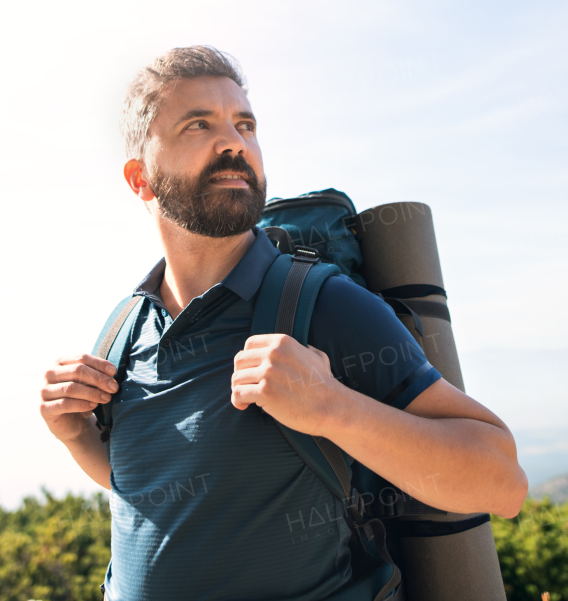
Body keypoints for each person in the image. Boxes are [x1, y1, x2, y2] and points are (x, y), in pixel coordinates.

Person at [40, 46, 527, 601]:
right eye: (199, 124)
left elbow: (502, 481)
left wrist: (333, 408)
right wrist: (77, 438)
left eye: (244, 124)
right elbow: (171, 498)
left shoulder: (323, 307)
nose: (234, 142)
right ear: (140, 178)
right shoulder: (126, 328)